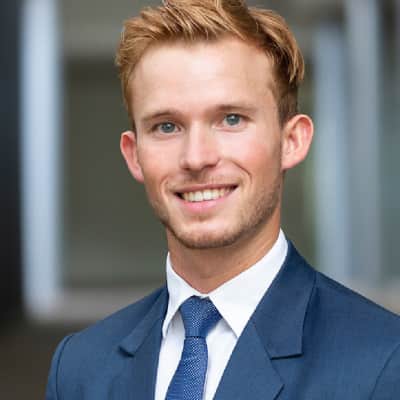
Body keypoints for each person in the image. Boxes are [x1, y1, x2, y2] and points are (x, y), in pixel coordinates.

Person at [46, 1, 400, 399]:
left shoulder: (384, 364)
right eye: (167, 126)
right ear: (134, 154)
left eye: (231, 119)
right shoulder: (79, 369)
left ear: (291, 141)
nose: (197, 157)